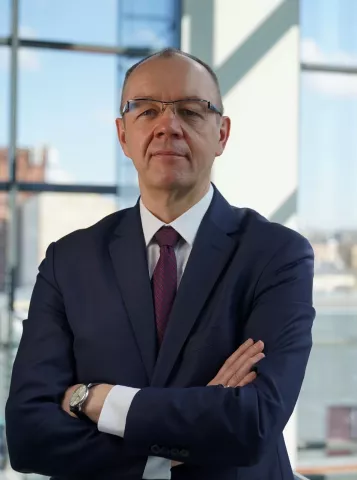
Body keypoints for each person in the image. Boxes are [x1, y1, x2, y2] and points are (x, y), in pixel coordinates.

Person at [5, 48, 315, 480]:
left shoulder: (278, 254)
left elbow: (254, 421)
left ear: (222, 133)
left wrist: (94, 399)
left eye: (191, 111)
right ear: (123, 134)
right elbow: (28, 434)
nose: (168, 126)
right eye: (146, 110)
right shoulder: (67, 260)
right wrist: (175, 449)